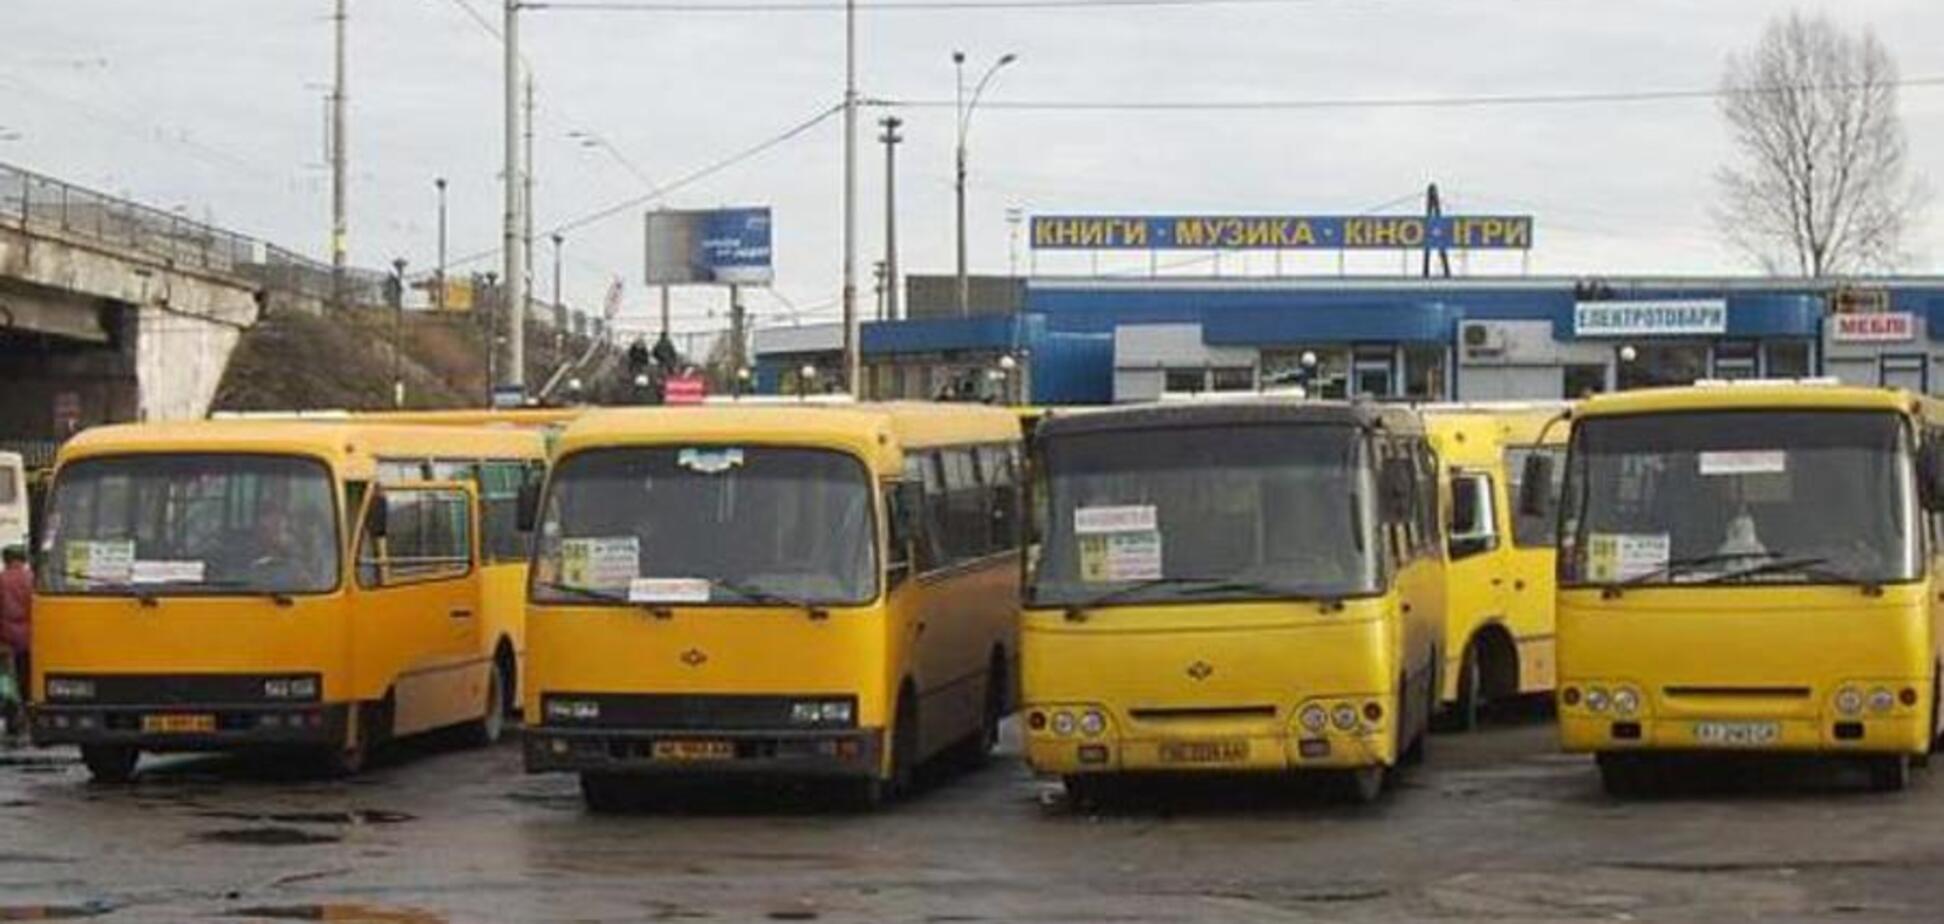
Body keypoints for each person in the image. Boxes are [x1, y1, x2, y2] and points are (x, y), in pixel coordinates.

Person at [1, 545, 32, 742]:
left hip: (6, 640)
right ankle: (29, 719)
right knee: (27, 679)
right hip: (32, 638)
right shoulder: (33, 579)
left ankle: (13, 720)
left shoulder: (1, 580)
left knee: (8, 682)